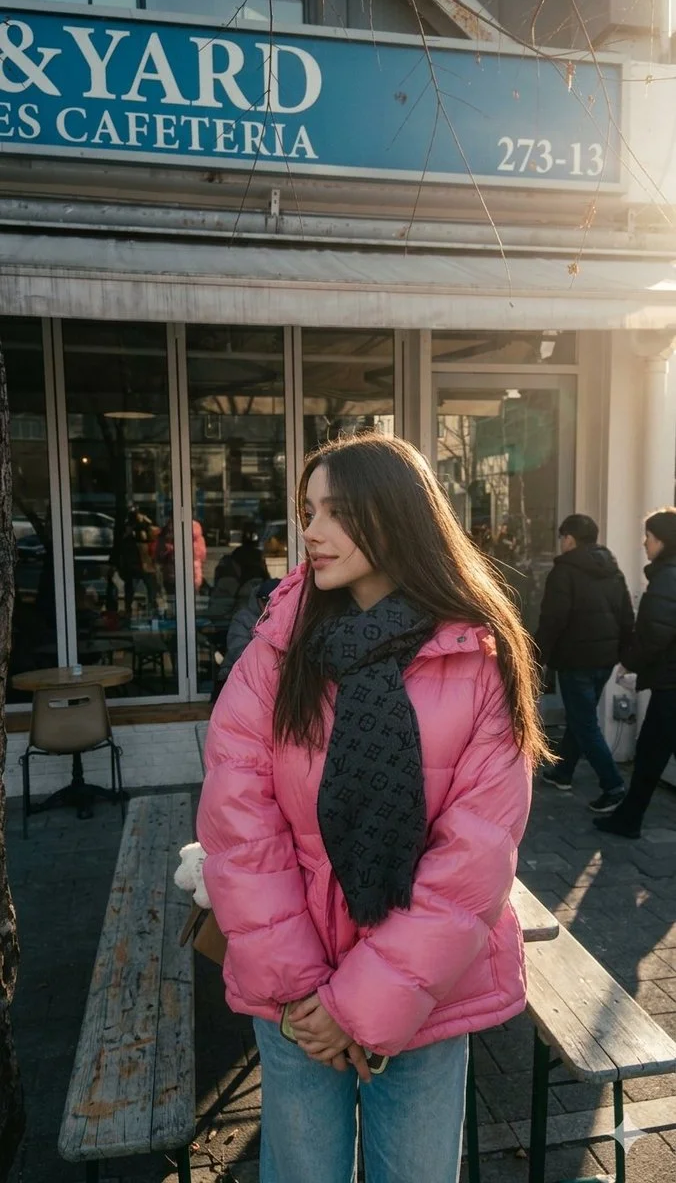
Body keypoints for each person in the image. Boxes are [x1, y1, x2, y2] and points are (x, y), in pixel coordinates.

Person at [197, 433, 546, 1183]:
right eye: (308, 510)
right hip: (295, 990)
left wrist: (368, 1002)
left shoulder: (478, 659)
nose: (311, 532)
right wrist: (303, 994)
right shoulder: (278, 646)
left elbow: (475, 855)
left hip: (424, 993)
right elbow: (238, 822)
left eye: (337, 512)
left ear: (399, 517)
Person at [534, 513, 634, 812]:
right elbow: (626, 616)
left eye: (562, 536)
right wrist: (624, 654)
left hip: (576, 660)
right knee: (582, 717)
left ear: (570, 539)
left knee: (584, 722)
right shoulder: (613, 571)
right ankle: (562, 773)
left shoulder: (563, 572)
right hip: (605, 659)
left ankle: (613, 786)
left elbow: (553, 620)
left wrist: (538, 655)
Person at [595, 508, 676, 839]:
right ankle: (628, 817)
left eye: (649, 537)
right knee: (652, 752)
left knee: (650, 753)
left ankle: (628, 820)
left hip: (671, 683)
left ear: (662, 541)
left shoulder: (668, 576)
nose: (645, 543)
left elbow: (656, 632)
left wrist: (630, 661)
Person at [210, 578, 280, 704]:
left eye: (275, 601)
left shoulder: (288, 618)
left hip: (273, 680)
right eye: (265, 601)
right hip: (238, 675)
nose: (269, 606)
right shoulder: (243, 618)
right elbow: (239, 652)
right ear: (257, 599)